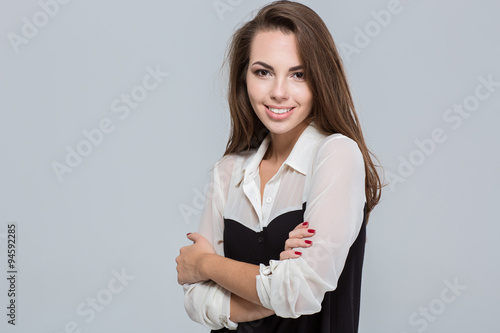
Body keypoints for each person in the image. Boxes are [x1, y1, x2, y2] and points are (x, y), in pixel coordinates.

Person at [175, 1, 383, 332]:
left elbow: (300, 293)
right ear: (244, 77)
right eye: (263, 72)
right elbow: (195, 300)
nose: (279, 92)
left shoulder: (338, 155)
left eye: (298, 74)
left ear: (321, 81)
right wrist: (275, 288)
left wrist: (206, 263)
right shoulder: (229, 171)